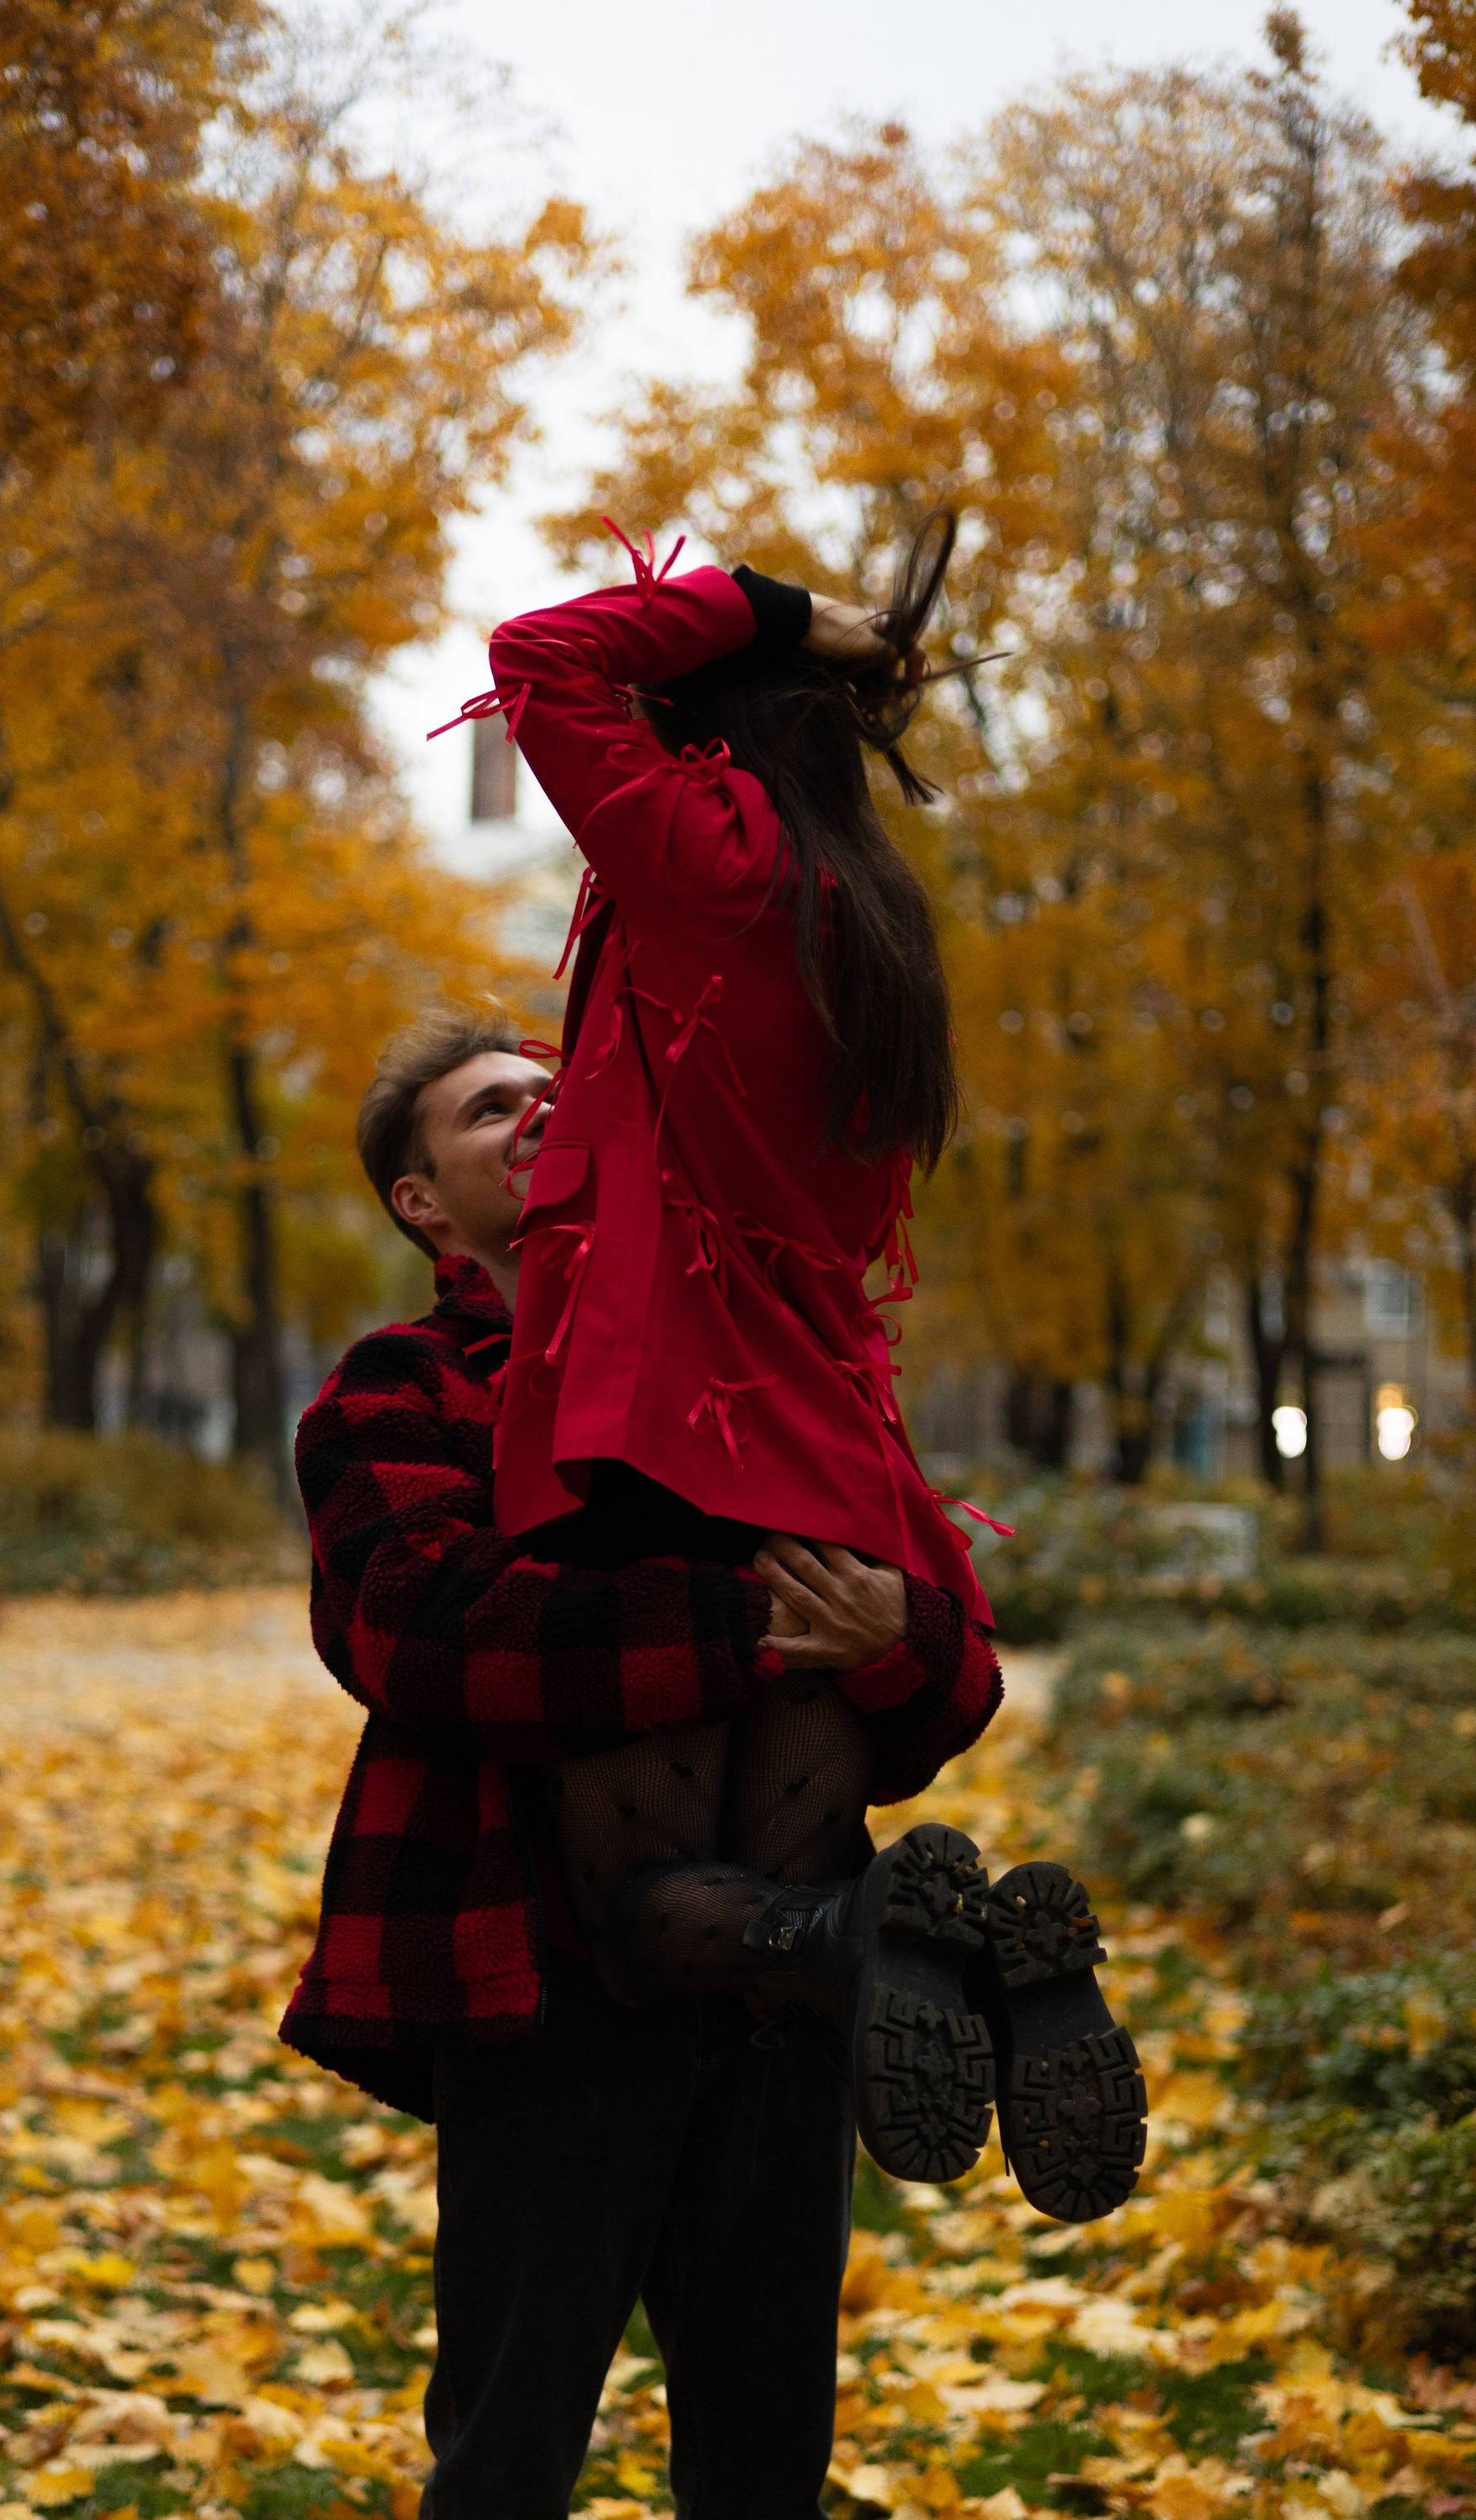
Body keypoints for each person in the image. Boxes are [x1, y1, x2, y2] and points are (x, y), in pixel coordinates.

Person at [282, 1006, 1006, 2520]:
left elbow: (934, 1643)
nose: (543, 1113)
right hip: (536, 1989)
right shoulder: (394, 1393)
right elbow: (423, 1637)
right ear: (426, 1200)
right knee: (507, 2474)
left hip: (782, 2024)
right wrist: (745, 1626)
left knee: (763, 2471)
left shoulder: (748, 1348)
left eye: (554, 1087)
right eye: (490, 1108)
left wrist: (899, 1643)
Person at [480, 524, 1145, 2214]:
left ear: (700, 728)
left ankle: (901, 1948)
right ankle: (935, 1952)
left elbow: (542, 656)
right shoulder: (873, 918)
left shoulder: (707, 857)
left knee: (645, 1914)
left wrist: (783, 613)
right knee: (760, 1917)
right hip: (822, 1468)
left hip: (662, 1445)